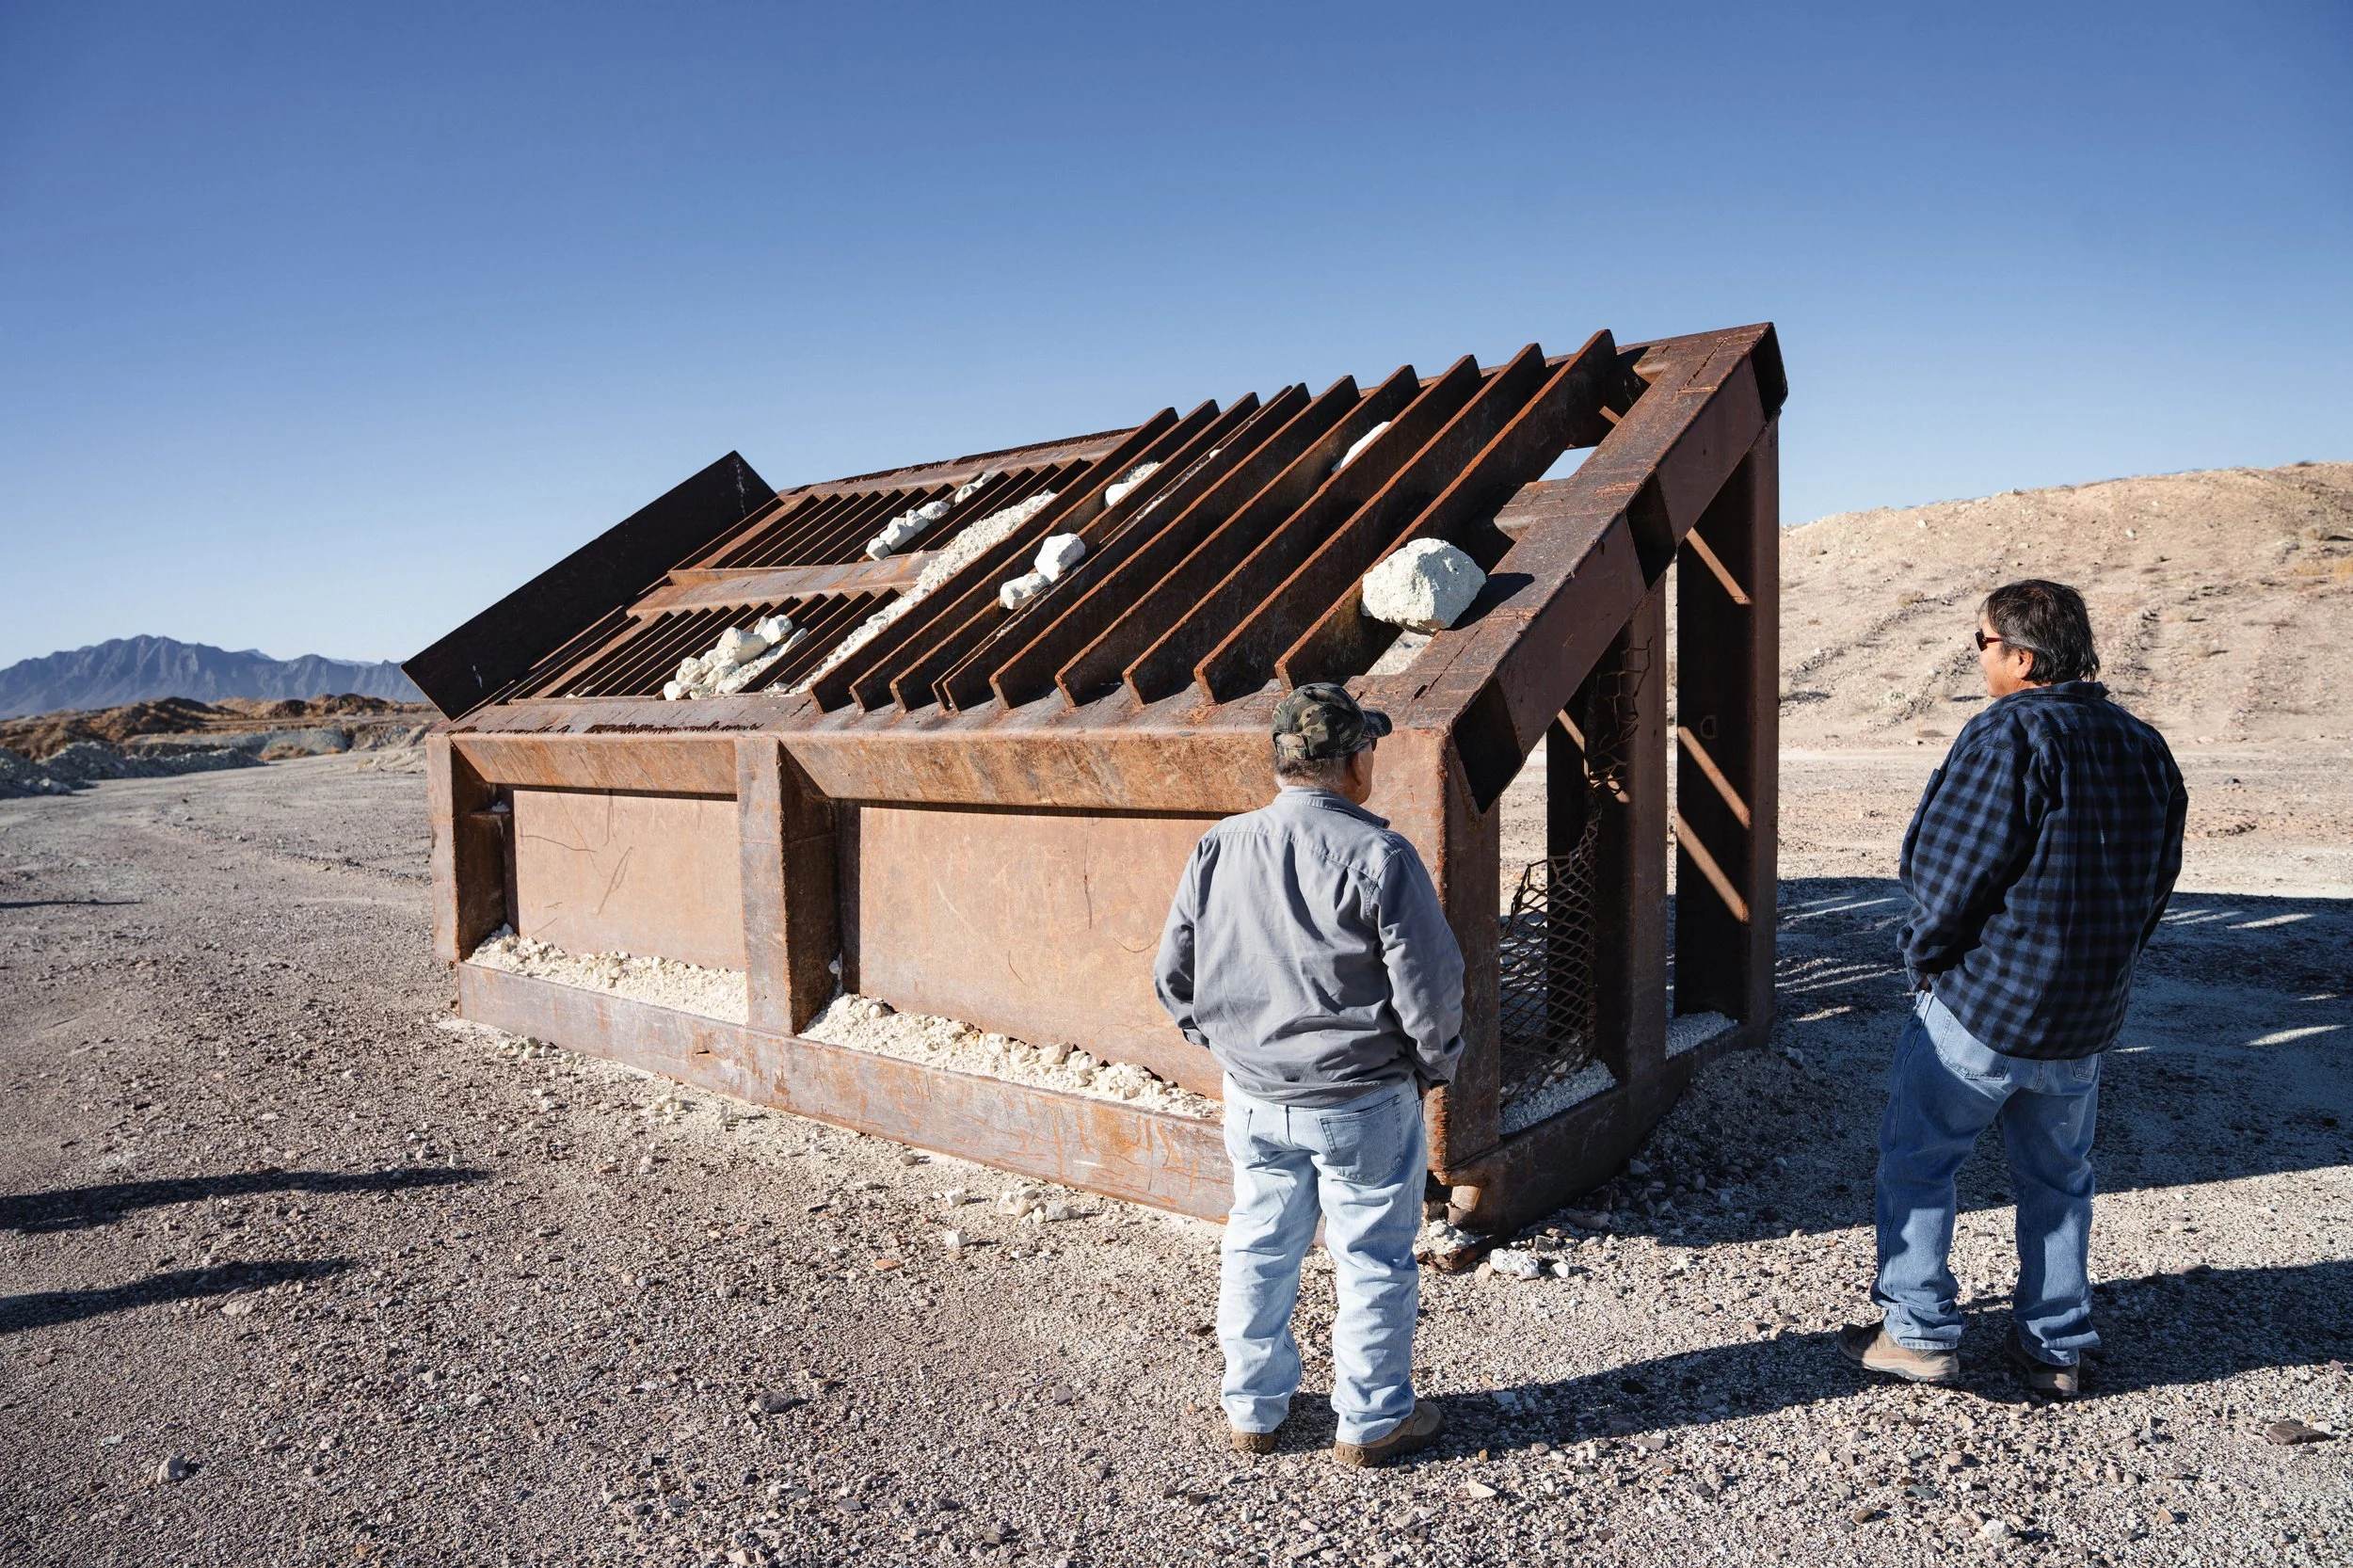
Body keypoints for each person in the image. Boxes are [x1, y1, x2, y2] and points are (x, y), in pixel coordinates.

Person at [1842, 580, 2186, 1398]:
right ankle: (2057, 1344)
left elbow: (1947, 872)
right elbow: (2157, 882)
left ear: (2022, 658)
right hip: (2086, 1014)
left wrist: (1927, 961)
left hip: (1986, 1003)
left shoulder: (2008, 734)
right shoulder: (2144, 743)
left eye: (1982, 642)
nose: (1979, 656)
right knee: (2060, 1178)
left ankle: (1918, 1332)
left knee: (1920, 1163)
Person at [1153, 681, 1465, 1465]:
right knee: (1369, 1258)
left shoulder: (1220, 845)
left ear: (1283, 760)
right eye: (1370, 748)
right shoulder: (1379, 854)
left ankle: (1254, 1411)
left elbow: (1173, 976)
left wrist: (1225, 1046)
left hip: (1254, 1095)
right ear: (1356, 759)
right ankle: (1372, 1421)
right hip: (1361, 1098)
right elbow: (1428, 988)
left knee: (1259, 1244)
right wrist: (1431, 1067)